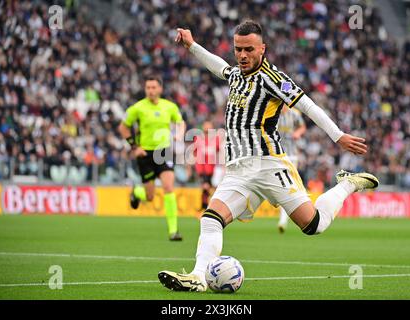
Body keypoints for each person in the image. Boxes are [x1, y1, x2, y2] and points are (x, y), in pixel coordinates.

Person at [158, 21, 379, 291]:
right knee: (210, 218)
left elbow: (307, 106)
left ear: (263, 48)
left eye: (249, 49)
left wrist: (338, 135)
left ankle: (348, 184)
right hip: (238, 169)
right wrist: (192, 46)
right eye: (238, 49)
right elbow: (218, 66)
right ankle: (198, 277)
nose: (242, 55)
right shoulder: (237, 74)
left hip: (269, 165)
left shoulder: (273, 79)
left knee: (313, 225)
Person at [118, 75, 185, 241]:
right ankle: (137, 193)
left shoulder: (169, 107)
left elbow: (180, 122)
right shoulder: (137, 108)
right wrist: (134, 147)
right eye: (148, 88)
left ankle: (173, 231)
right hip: (145, 154)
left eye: (154, 87)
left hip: (163, 151)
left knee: (169, 187)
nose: (151, 91)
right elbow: (123, 127)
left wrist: (180, 134)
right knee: (150, 196)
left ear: (160, 89)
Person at [276, 105, 306, 233]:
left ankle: (283, 219)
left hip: (292, 155)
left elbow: (302, 127)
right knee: (282, 186)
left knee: (288, 186)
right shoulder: (273, 112)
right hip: (276, 155)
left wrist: (297, 133)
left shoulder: (294, 114)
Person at [193, 120, 221, 211]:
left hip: (213, 168)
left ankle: (207, 207)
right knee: (206, 187)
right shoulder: (198, 138)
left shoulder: (216, 139)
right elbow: (194, 152)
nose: (207, 128)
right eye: (205, 126)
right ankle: (204, 208)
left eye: (209, 126)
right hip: (202, 168)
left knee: (212, 188)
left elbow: (219, 152)